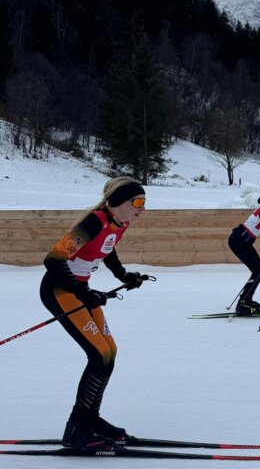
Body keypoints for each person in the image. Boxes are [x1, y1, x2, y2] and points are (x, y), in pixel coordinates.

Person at [40, 176, 150, 449]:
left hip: (81, 291)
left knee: (109, 353)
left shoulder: (118, 224)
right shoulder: (94, 221)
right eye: (137, 202)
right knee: (98, 354)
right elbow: (53, 259)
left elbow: (106, 250)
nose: (142, 208)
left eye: (144, 203)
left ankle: (90, 420)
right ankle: (75, 429)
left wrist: (125, 275)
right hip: (60, 291)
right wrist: (82, 292)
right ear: (117, 202)